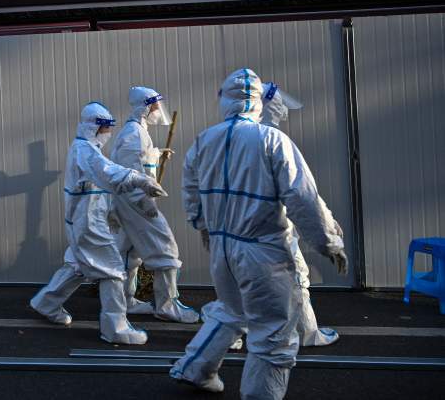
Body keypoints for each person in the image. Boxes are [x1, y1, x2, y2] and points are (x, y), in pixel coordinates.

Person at [169, 69, 348, 399]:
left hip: (223, 249)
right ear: (257, 102)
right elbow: (302, 198)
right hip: (263, 252)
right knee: (272, 334)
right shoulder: (272, 140)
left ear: (224, 98)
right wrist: (328, 242)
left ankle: (195, 369)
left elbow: (190, 191)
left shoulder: (203, 140)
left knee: (231, 311)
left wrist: (203, 226)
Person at [30, 102, 167, 345]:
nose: (109, 134)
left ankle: (46, 303)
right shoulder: (85, 151)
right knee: (113, 270)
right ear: (95, 127)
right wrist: (139, 179)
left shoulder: (86, 148)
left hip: (87, 218)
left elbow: (104, 180)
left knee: (77, 264)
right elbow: (107, 172)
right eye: (106, 129)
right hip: (88, 221)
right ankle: (115, 328)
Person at [110, 86, 199, 323]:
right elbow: (130, 174)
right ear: (145, 107)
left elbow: (138, 160)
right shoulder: (133, 134)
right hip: (137, 203)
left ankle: (125, 300)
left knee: (130, 251)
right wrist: (145, 205)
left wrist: (157, 154)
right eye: (155, 105)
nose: (159, 110)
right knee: (166, 250)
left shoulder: (136, 131)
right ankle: (167, 305)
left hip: (131, 204)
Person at [261, 82, 340, 347]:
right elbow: (302, 195)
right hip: (276, 229)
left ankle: (238, 337)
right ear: (268, 105)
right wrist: (326, 232)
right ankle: (308, 334)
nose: (284, 109)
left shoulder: (240, 139)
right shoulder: (276, 141)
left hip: (244, 233)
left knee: (247, 287)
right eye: (278, 103)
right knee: (297, 278)